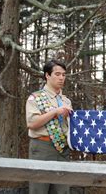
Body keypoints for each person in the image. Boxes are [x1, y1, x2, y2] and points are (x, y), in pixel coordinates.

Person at [26, 59, 73, 194]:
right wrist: (54, 112)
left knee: (62, 190)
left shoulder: (66, 101)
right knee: (39, 189)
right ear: (47, 75)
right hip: (42, 148)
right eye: (57, 74)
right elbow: (32, 124)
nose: (61, 78)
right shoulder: (36, 98)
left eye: (63, 75)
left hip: (63, 148)